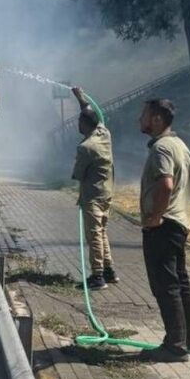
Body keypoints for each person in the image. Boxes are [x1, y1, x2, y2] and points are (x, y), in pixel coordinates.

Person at [138, 99, 190, 363]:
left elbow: (166, 185)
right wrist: (185, 211)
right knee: (181, 282)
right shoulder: (181, 145)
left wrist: (156, 217)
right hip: (179, 223)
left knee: (165, 285)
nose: (139, 120)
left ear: (156, 119)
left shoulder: (162, 148)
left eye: (143, 115)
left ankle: (175, 346)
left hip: (163, 226)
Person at [71, 87, 117, 290]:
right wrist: (80, 98)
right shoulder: (104, 133)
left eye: (79, 122)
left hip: (92, 196)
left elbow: (77, 175)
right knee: (102, 231)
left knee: (94, 235)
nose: (77, 124)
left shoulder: (86, 148)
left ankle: (97, 276)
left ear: (84, 124)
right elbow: (90, 111)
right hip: (107, 192)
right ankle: (109, 270)